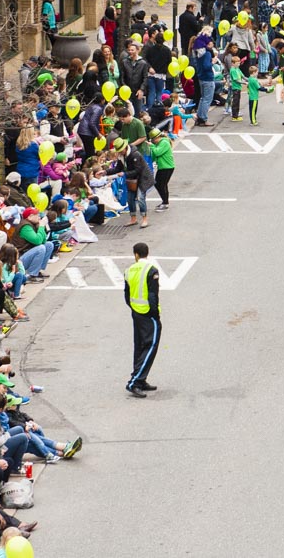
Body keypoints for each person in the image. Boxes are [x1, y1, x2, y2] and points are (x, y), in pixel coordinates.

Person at [124, 242, 161, 398]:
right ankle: (135, 381)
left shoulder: (129, 270)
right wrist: (155, 314)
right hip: (148, 313)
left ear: (136, 255)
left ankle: (140, 378)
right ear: (147, 253)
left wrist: (133, 307)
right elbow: (153, 295)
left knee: (139, 346)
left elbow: (126, 294)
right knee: (151, 345)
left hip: (135, 311)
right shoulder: (151, 270)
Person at [146, 128, 175, 213]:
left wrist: (151, 146)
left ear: (156, 138)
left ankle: (165, 203)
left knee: (160, 184)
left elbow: (158, 152)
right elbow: (155, 155)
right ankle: (164, 202)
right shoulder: (159, 143)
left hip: (167, 167)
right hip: (163, 167)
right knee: (160, 184)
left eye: (153, 140)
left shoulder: (164, 142)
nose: (153, 141)